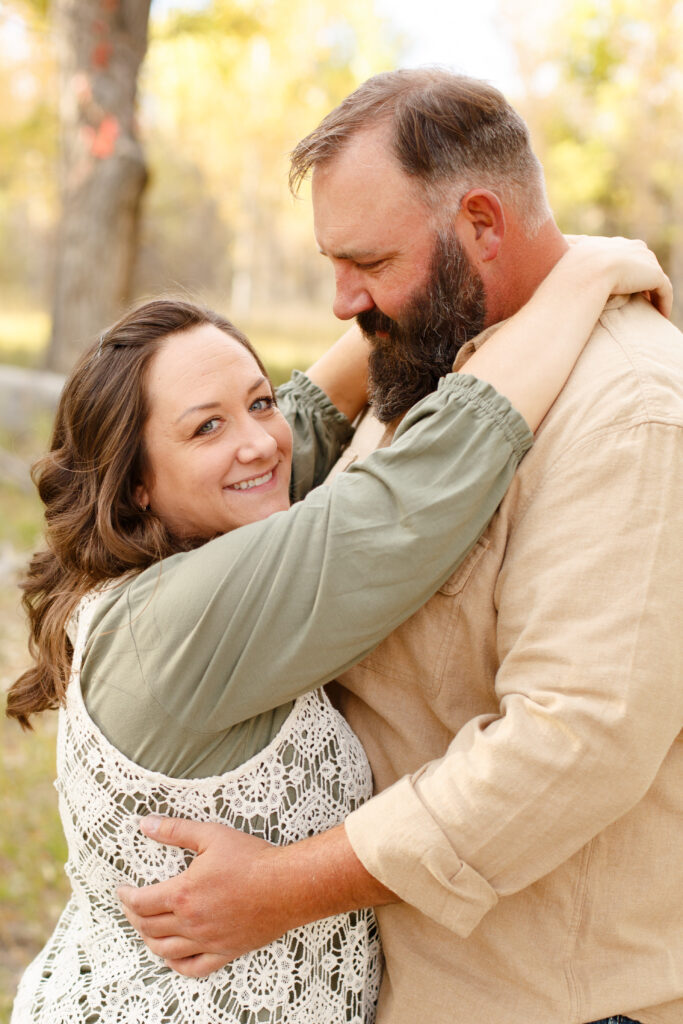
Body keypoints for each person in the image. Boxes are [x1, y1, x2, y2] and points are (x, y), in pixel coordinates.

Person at [118, 71, 683, 1024]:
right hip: (404, 985)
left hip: (543, 1000)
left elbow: (570, 742)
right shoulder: (429, 355)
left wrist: (284, 886)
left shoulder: (629, 416)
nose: (343, 300)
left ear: (481, 224)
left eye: (368, 261)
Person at [7, 248, 660, 1024]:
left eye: (256, 401)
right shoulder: (182, 620)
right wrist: (579, 273)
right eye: (205, 425)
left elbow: (299, 424)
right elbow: (402, 502)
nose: (256, 441)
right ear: (137, 481)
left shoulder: (198, 539)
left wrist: (444, 265)